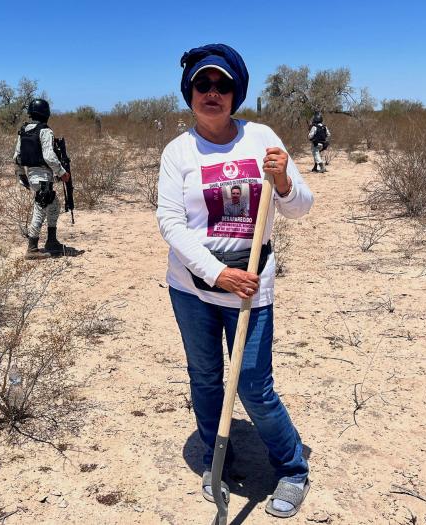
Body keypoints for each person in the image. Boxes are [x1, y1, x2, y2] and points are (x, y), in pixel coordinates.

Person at [157, 43, 314, 518]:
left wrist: (284, 179)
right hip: (194, 288)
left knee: (253, 385)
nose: (212, 93)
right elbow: (170, 223)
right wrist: (217, 273)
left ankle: (291, 467)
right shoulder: (178, 151)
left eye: (222, 85)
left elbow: (301, 208)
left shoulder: (262, 138)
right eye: (203, 84)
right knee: (204, 379)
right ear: (189, 92)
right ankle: (216, 459)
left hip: (251, 287)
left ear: (235, 92)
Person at [13, 99, 81, 258]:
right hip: (43, 176)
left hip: (32, 175)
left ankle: (51, 241)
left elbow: (16, 157)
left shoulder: (24, 130)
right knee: (40, 208)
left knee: (54, 205)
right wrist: (62, 172)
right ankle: (32, 248)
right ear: (46, 113)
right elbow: (49, 156)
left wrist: (21, 175)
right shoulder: (45, 131)